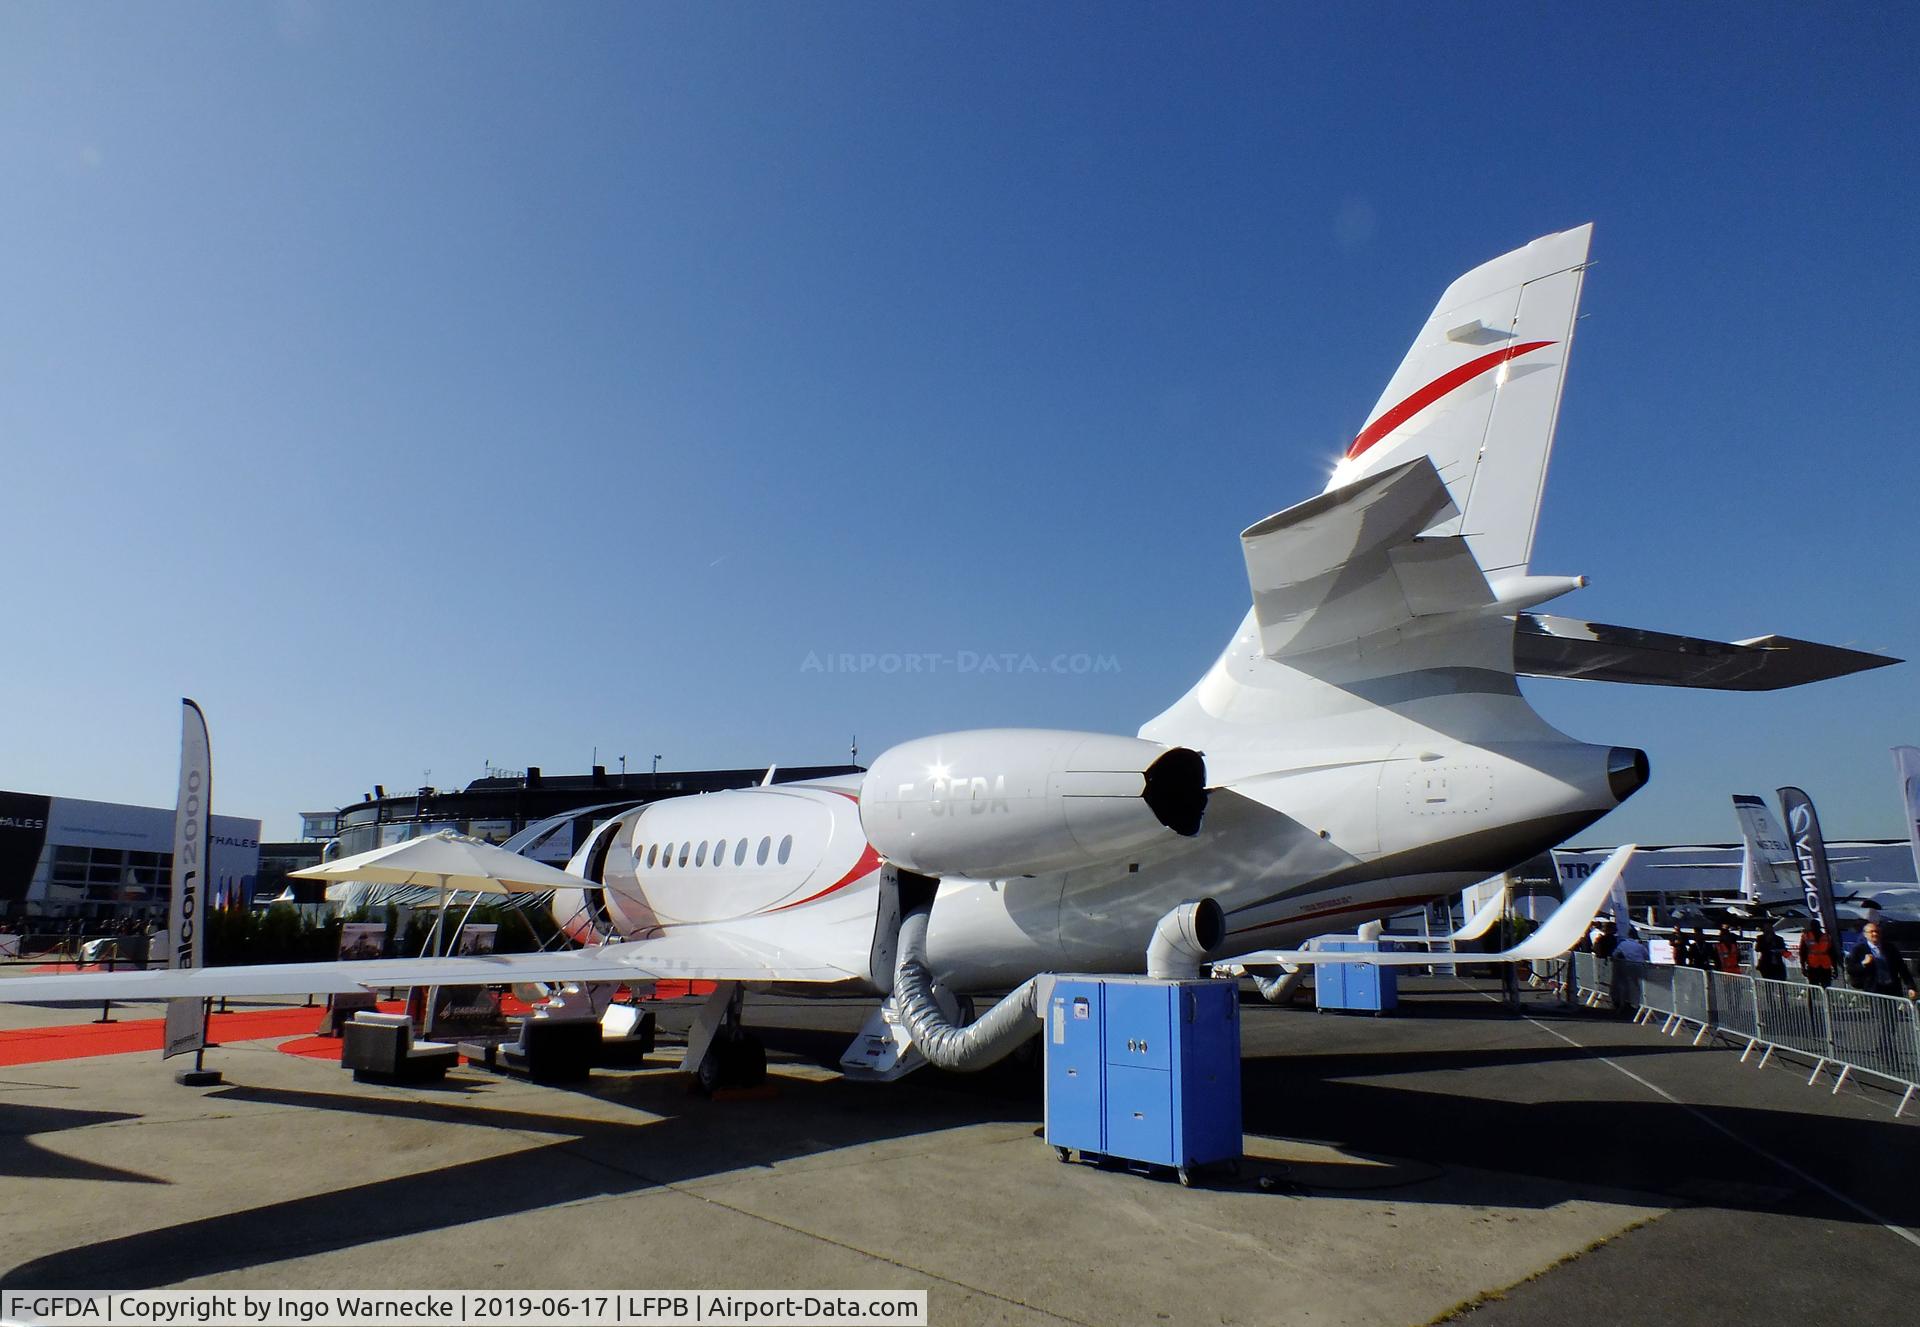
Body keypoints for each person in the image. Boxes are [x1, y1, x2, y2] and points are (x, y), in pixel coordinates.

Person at [1845, 919, 1918, 1000]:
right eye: (1871, 932)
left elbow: (1902, 968)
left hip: (1893, 989)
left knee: (1895, 1012)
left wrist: (1911, 987)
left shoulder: (1890, 948)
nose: (1875, 934)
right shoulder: (1859, 949)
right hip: (1873, 991)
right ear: (1865, 934)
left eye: (1877, 931)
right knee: (1879, 1012)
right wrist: (1863, 963)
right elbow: (1850, 969)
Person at [1799, 921, 1837, 987]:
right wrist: (1803, 966)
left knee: (1826, 986)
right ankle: (1813, 997)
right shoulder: (1806, 936)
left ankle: (1825, 997)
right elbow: (1802, 952)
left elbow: (1832, 953)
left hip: (1825, 965)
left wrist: (1835, 967)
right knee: (1813, 987)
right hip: (1812, 965)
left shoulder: (1827, 937)